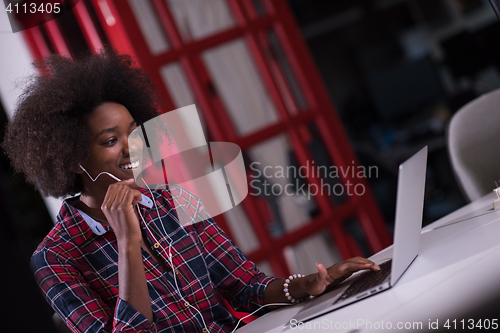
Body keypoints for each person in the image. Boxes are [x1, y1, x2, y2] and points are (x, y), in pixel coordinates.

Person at [2, 50, 380, 333]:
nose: (132, 146)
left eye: (135, 131)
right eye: (110, 140)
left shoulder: (173, 200)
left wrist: (307, 286)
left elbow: (245, 285)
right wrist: (127, 241)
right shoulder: (55, 258)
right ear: (70, 158)